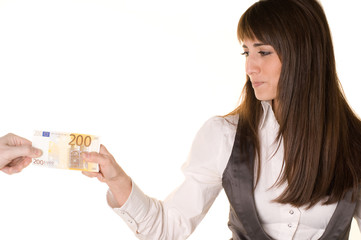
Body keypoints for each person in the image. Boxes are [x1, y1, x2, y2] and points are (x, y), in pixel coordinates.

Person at [82, 0, 361, 239]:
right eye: (246, 52)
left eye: (263, 52)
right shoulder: (224, 135)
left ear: (304, 55)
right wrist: (118, 180)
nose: (250, 67)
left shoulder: (355, 143)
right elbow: (167, 229)